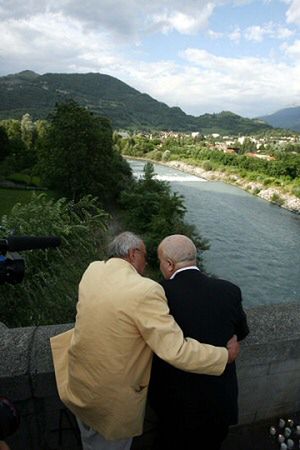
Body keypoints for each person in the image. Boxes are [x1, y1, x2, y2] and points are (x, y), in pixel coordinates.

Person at [50, 231, 240, 450]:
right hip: (111, 402)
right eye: (145, 255)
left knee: (89, 441)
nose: (147, 262)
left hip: (80, 384)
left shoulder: (93, 269)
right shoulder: (145, 289)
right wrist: (224, 356)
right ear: (133, 253)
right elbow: (176, 350)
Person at [148, 234, 249, 450]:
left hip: (175, 405)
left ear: (169, 264)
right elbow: (241, 332)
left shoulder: (159, 293)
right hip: (220, 402)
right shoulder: (230, 290)